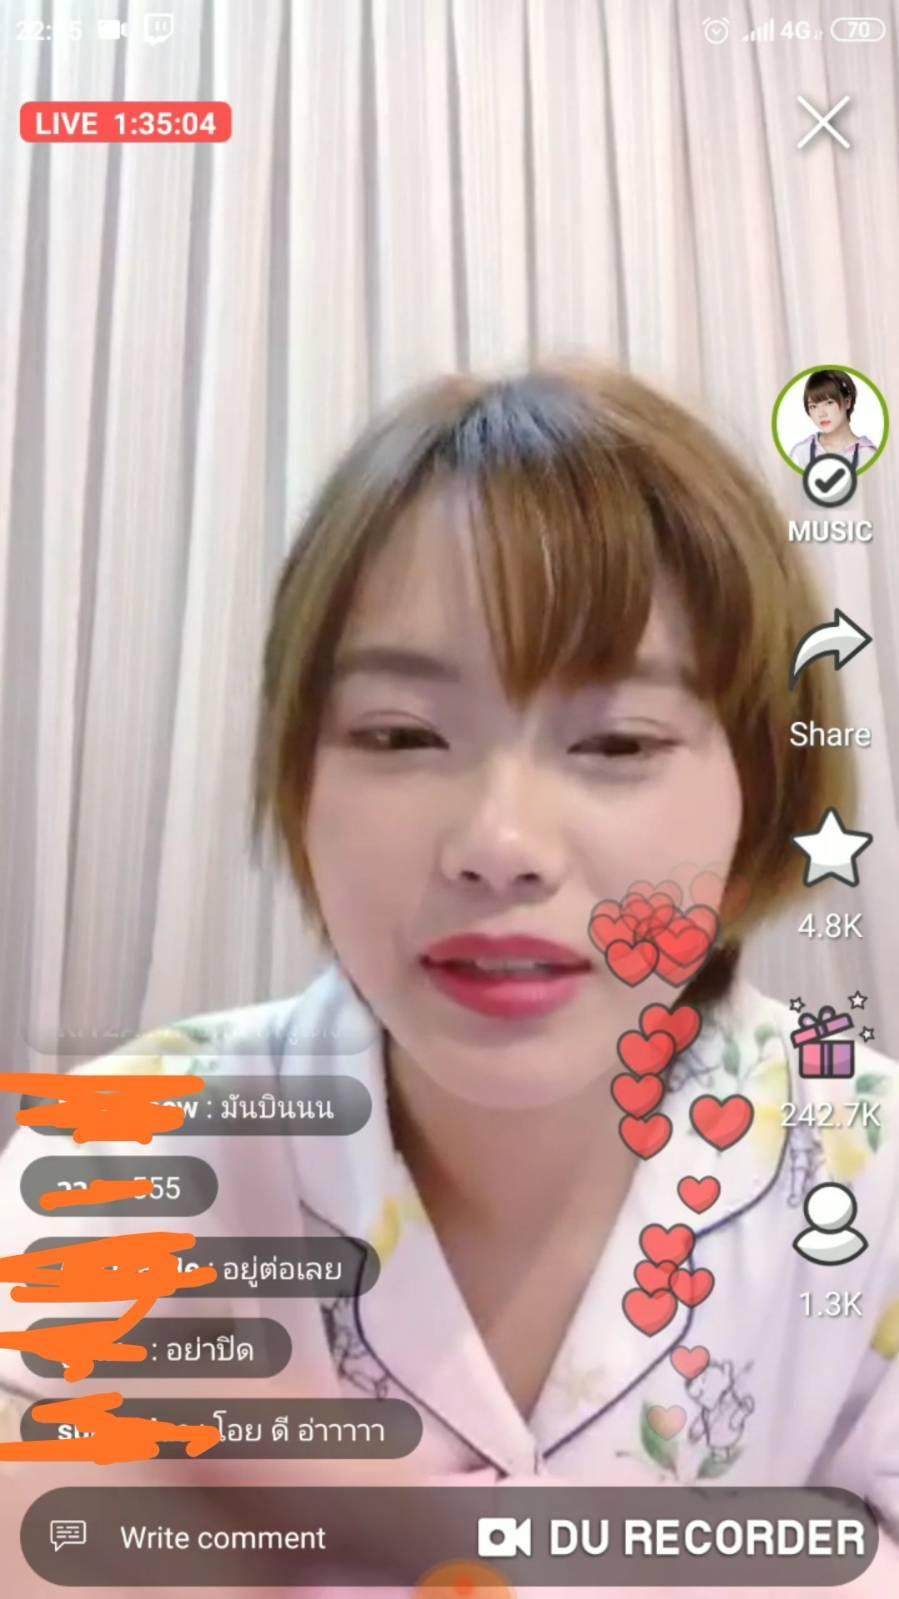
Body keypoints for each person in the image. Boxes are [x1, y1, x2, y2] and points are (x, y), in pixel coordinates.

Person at [0, 363, 898, 1597]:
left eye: (617, 742)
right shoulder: (125, 1156)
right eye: (400, 735)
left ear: (763, 797)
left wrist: (407, 1532)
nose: (498, 845)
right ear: (299, 782)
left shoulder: (866, 1173)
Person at [789, 368, 878, 469]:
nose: (821, 414)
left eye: (829, 403)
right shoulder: (800, 453)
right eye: (813, 406)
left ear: (847, 402)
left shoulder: (868, 454)